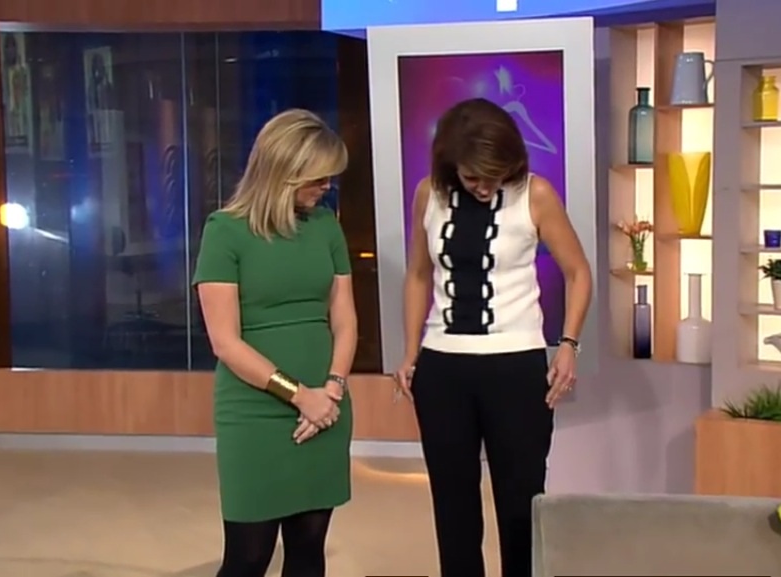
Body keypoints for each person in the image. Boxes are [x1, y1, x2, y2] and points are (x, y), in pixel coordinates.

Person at [393, 98, 593, 577]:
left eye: (494, 176)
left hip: (515, 367)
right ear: (451, 164)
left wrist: (568, 345)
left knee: (521, 504)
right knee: (453, 507)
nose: (484, 188)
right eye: (473, 178)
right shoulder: (428, 194)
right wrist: (410, 352)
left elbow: (578, 272)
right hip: (443, 368)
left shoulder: (535, 194)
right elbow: (418, 274)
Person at [194, 108, 357, 577]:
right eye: (318, 178)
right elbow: (225, 343)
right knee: (248, 557)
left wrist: (332, 389)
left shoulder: (325, 225)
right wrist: (300, 396)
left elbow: (345, 318)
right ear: (284, 172)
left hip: (326, 409)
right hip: (255, 413)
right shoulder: (225, 231)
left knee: (308, 550)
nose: (326, 186)